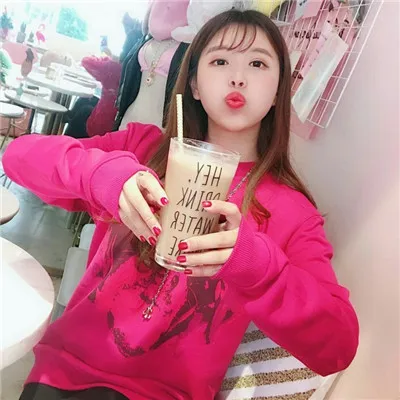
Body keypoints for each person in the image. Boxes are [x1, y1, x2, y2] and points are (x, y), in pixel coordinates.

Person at [3, 9, 359, 400]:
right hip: (66, 374)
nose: (238, 77)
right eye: (220, 61)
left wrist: (255, 264)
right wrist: (101, 176)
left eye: (258, 64)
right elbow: (18, 157)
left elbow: (338, 346)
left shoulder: (293, 213)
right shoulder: (142, 149)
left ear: (278, 91)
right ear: (194, 85)